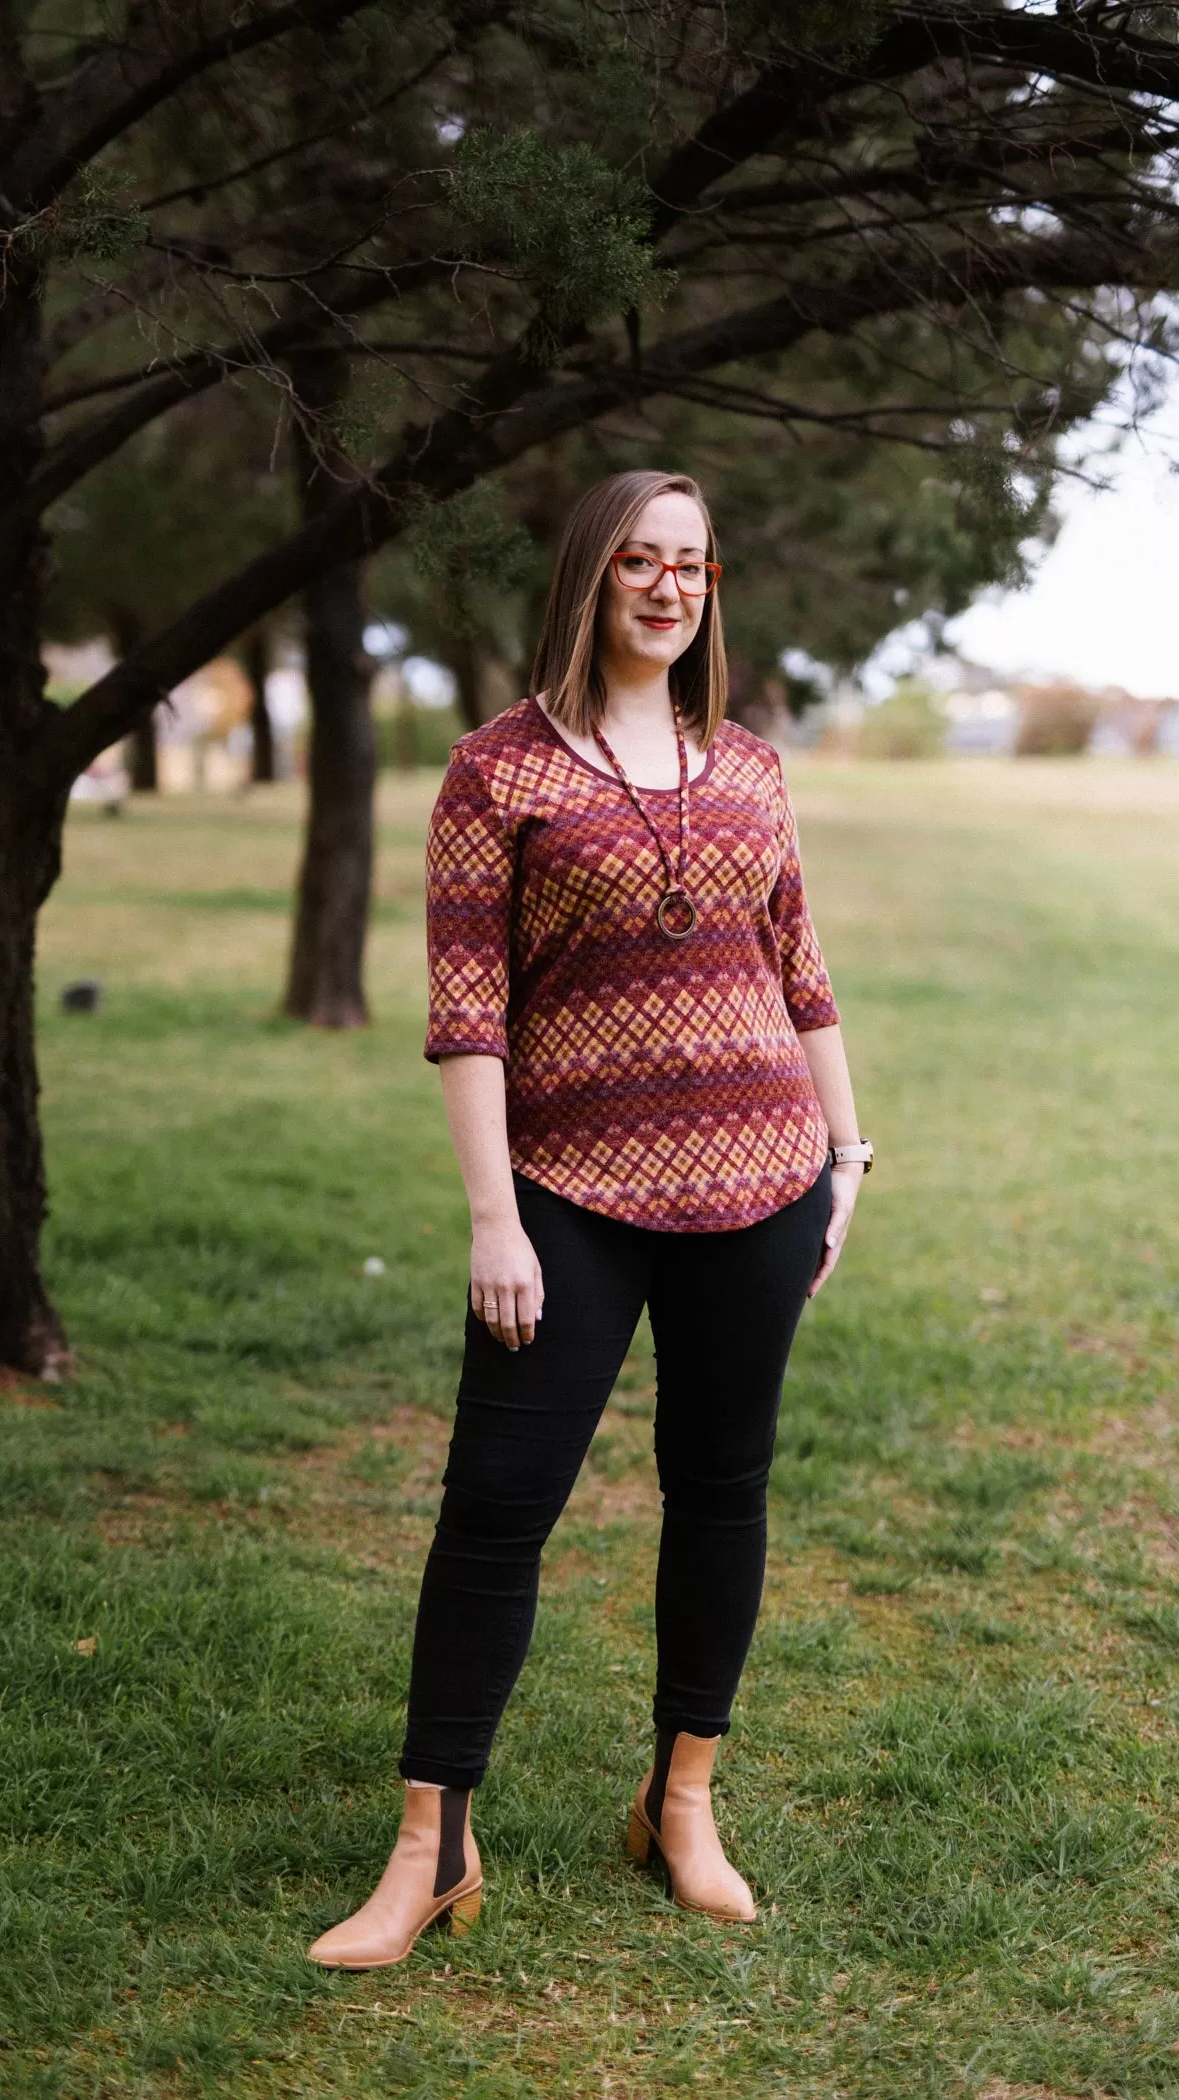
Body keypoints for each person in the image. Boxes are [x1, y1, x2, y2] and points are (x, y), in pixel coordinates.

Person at [308, 469, 871, 1970]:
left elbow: (800, 966)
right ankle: (430, 1847)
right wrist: (493, 1219)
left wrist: (848, 1151)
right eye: (638, 559)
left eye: (689, 563)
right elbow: (468, 1010)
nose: (667, 586)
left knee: (720, 1488)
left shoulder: (745, 763)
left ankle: (680, 1800)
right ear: (589, 577)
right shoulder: (496, 771)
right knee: (495, 1506)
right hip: (572, 1192)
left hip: (761, 1179)